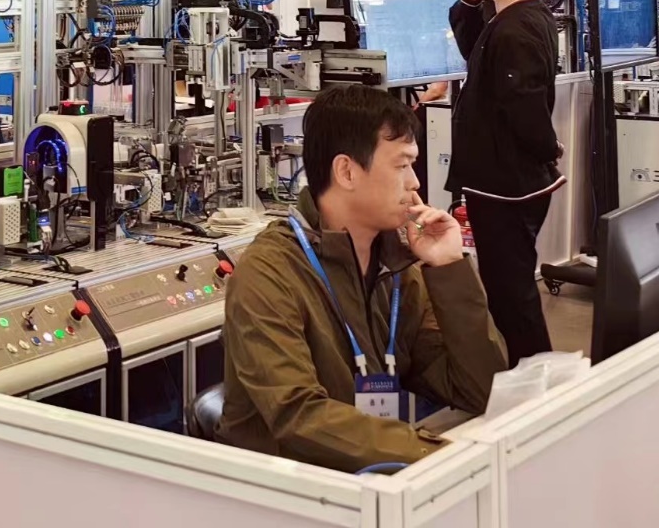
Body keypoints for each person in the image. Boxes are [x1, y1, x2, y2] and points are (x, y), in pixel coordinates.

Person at [216, 86, 507, 474]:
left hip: (367, 479)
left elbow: (482, 389)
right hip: (282, 488)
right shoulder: (269, 273)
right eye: (401, 166)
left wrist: (449, 267)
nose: (415, 183)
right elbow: (300, 416)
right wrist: (433, 455)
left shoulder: (398, 266)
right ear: (347, 172)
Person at [447, 0, 565, 366]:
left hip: (506, 186)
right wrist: (469, 2)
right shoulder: (519, 18)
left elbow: (524, 108)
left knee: (512, 297)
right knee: (507, 291)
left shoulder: (516, 29)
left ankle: (536, 380)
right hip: (506, 181)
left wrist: (548, 149)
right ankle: (529, 373)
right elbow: (477, 53)